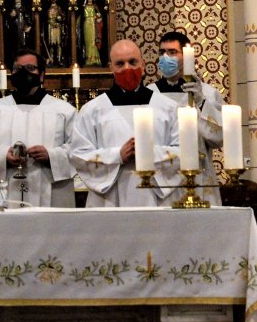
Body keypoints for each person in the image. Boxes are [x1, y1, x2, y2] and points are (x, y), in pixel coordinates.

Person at [68, 39, 183, 206]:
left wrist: (149, 152)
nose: (127, 68)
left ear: (143, 64)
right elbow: (79, 155)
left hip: (157, 198)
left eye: (133, 62)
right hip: (109, 199)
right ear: (111, 67)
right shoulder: (92, 110)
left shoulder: (168, 107)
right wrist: (118, 155)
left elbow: (184, 151)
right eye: (120, 63)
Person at [0, 51, 77, 206]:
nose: (24, 73)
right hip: (5, 193)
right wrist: (3, 155)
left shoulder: (63, 111)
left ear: (41, 75)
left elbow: (80, 150)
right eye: (18, 69)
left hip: (53, 194)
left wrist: (51, 156)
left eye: (30, 68)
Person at [149, 30, 226, 150]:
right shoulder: (149, 93)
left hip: (199, 164)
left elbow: (218, 139)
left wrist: (201, 102)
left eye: (172, 52)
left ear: (186, 56)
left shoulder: (207, 93)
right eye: (162, 52)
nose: (165, 57)